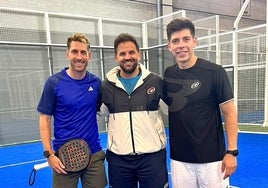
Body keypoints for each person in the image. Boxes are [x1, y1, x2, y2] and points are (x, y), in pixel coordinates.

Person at [163, 18, 239, 188]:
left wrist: (232, 152)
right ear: (169, 46)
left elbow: (229, 112)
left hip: (213, 161)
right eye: (175, 41)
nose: (181, 45)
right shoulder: (168, 74)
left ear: (194, 41)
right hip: (180, 161)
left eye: (186, 39)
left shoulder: (215, 72)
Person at [37, 33, 107, 188]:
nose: (79, 57)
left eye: (83, 52)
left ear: (89, 55)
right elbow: (44, 119)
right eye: (75, 51)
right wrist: (49, 153)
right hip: (64, 158)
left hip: (93, 155)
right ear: (67, 53)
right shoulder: (53, 83)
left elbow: (100, 110)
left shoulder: (96, 83)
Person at [100, 33, 168, 188]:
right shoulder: (106, 87)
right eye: (122, 53)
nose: (127, 57)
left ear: (139, 54)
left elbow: (174, 111)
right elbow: (93, 115)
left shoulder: (156, 82)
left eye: (131, 52)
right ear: (116, 57)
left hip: (152, 159)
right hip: (119, 161)